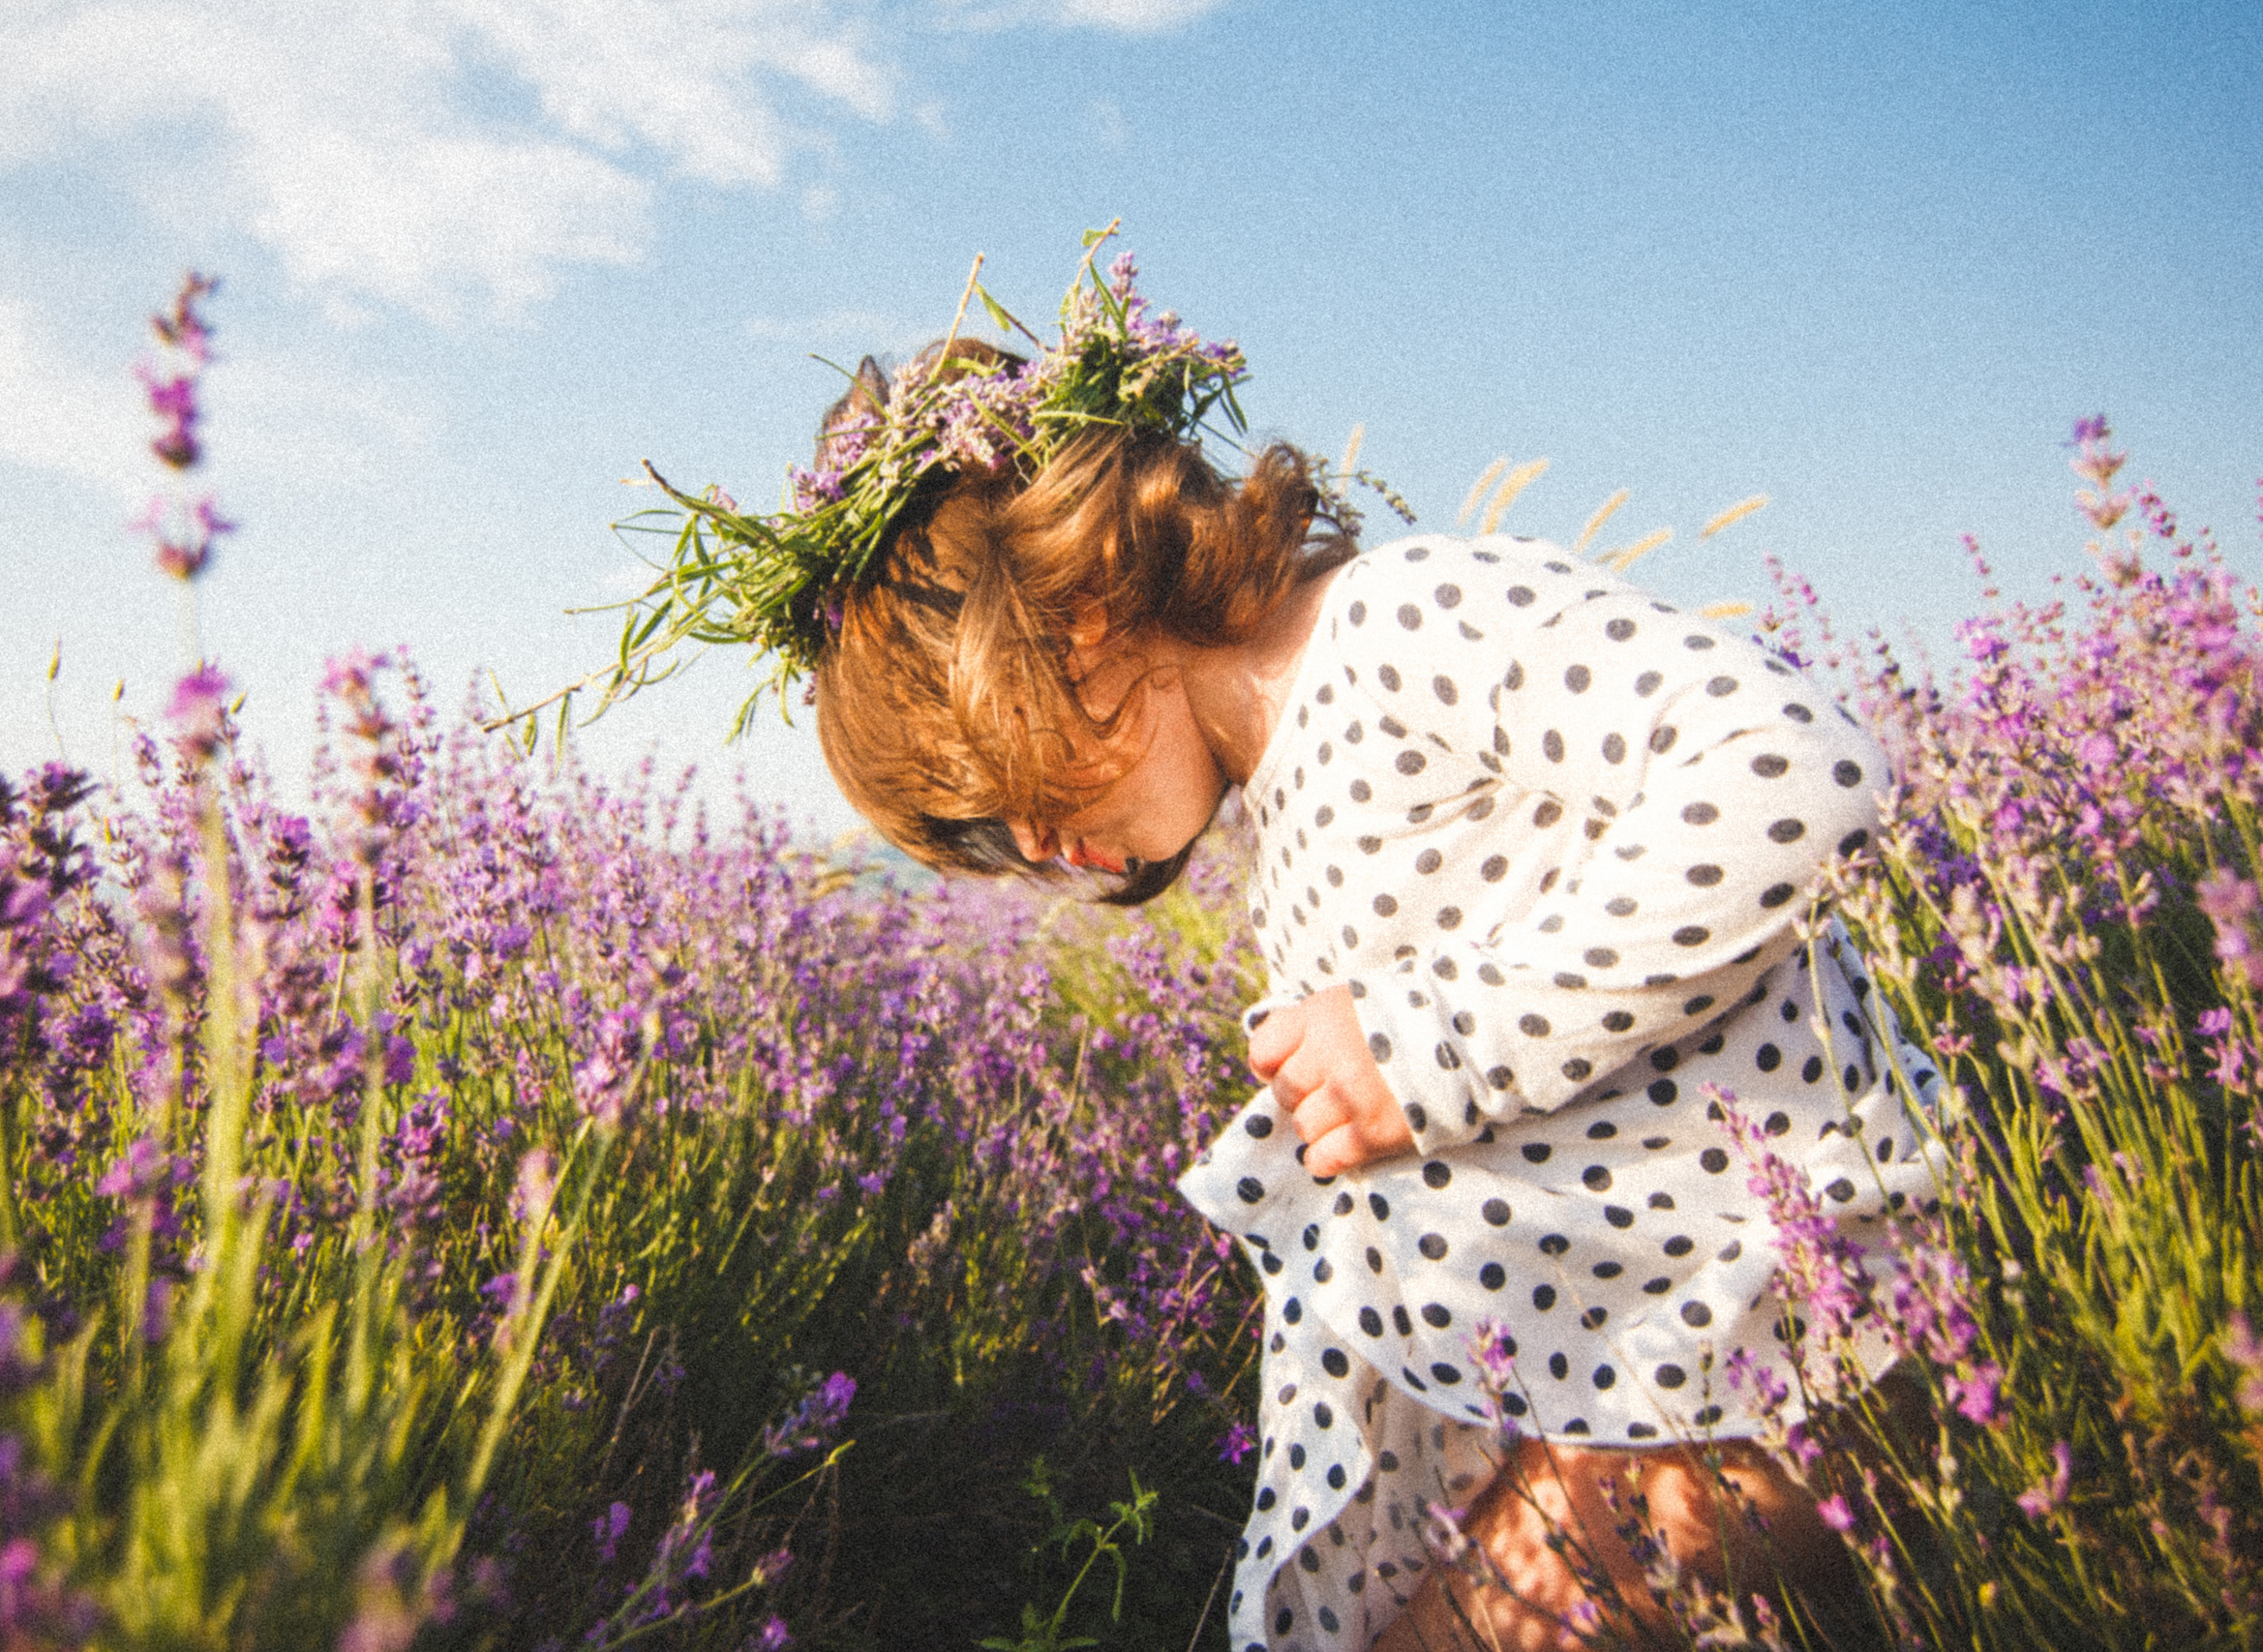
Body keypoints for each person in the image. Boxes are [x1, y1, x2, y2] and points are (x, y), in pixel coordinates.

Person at [619, 234, 1944, 1650]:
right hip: (1613, 1381)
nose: (1039, 845)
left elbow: (1795, 770)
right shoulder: (1281, 790)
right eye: (992, 838)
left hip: (1764, 1347)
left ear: (1080, 617)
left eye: (1012, 785)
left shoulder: (1401, 620)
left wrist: (1437, 1047)